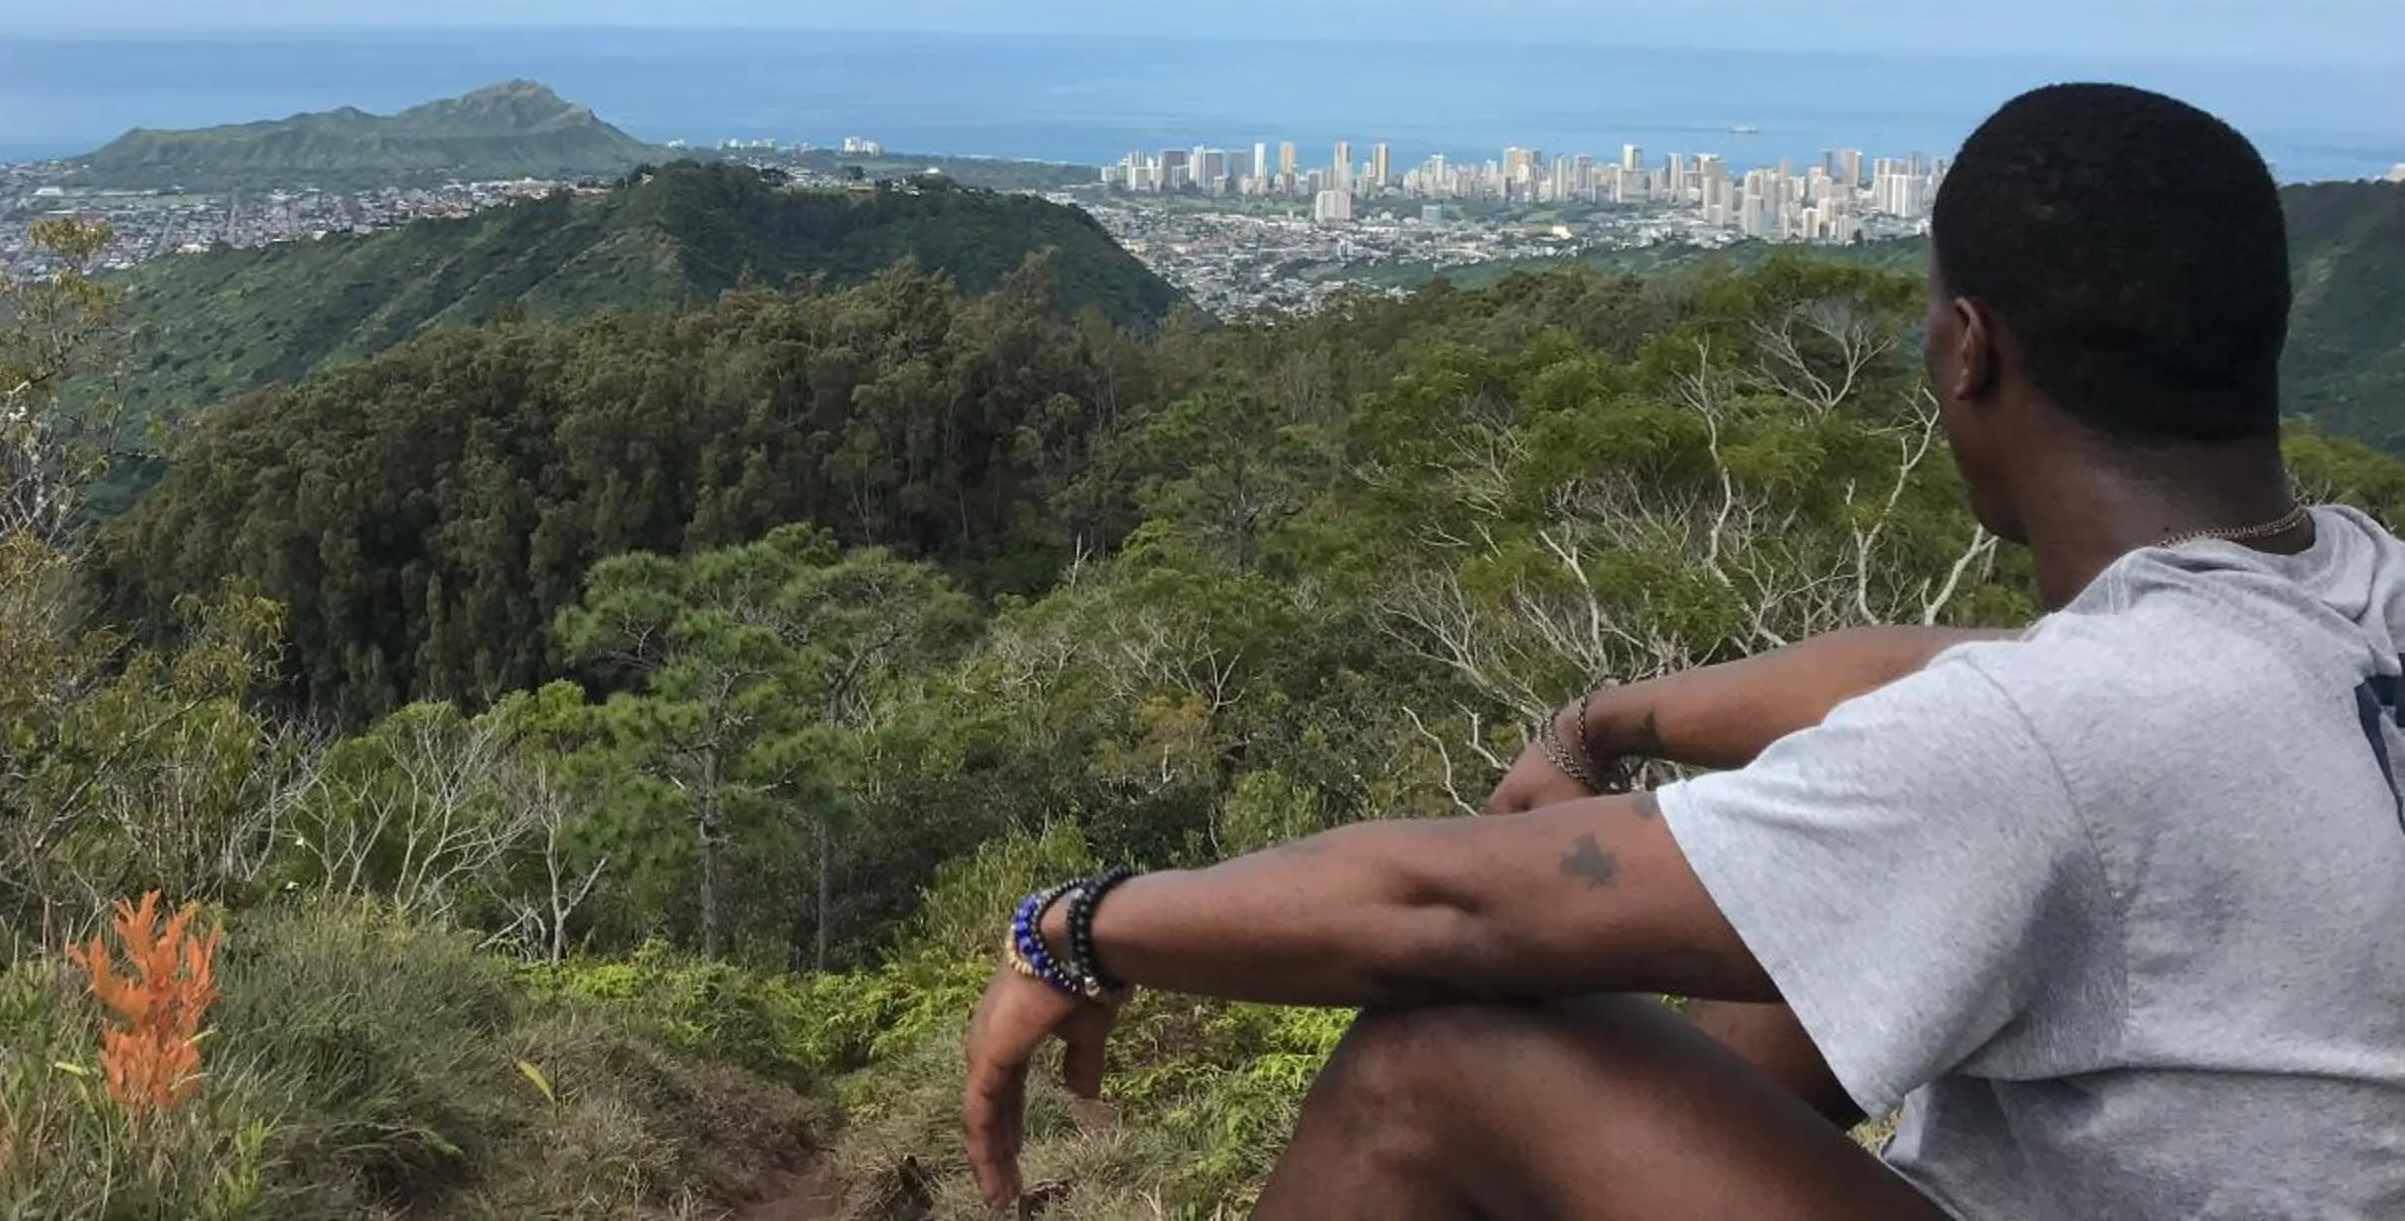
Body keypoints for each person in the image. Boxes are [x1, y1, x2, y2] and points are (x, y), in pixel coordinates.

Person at [963, 83, 2405, 1218]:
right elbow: (1933, 667)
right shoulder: (2345, 593)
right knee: (1807, 975)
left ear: (1968, 348)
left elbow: (1444, 910)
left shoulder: (2067, 739)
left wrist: (1080, 927)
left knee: (1443, 1058)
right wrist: (1606, 719)